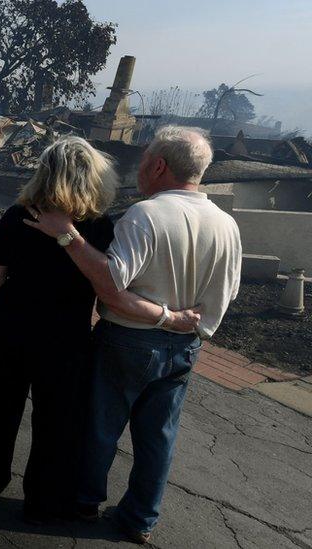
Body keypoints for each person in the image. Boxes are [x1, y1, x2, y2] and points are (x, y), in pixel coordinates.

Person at [0, 136, 199, 523]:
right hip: (65, 336)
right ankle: (45, 502)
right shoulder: (101, 227)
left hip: (9, 327)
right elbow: (109, 282)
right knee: (58, 421)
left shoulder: (17, 214)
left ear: (44, 172)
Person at [24, 126, 242, 543]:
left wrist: (66, 235)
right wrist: (185, 324)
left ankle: (85, 503)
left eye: (143, 160)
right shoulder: (227, 225)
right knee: (158, 438)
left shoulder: (146, 215)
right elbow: (226, 293)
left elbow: (111, 284)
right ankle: (140, 520)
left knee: (101, 427)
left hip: (128, 341)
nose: (138, 167)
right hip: (185, 348)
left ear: (159, 166)